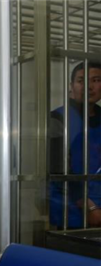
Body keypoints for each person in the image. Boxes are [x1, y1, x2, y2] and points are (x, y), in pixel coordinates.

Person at [49, 62, 101, 229]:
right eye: (81, 80)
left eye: (96, 80)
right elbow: (57, 167)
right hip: (70, 208)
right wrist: (89, 206)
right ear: (71, 86)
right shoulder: (57, 118)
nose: (89, 87)